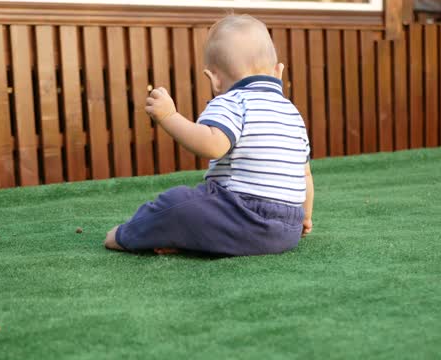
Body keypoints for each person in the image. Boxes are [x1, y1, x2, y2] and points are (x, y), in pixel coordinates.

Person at [104, 15, 314, 256]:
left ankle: (126, 235)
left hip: (242, 218)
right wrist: (304, 217)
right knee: (201, 211)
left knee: (177, 203)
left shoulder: (232, 101)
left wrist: (169, 117)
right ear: (278, 71)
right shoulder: (292, 113)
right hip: (286, 232)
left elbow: (213, 145)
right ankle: (189, 239)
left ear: (214, 79)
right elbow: (305, 173)